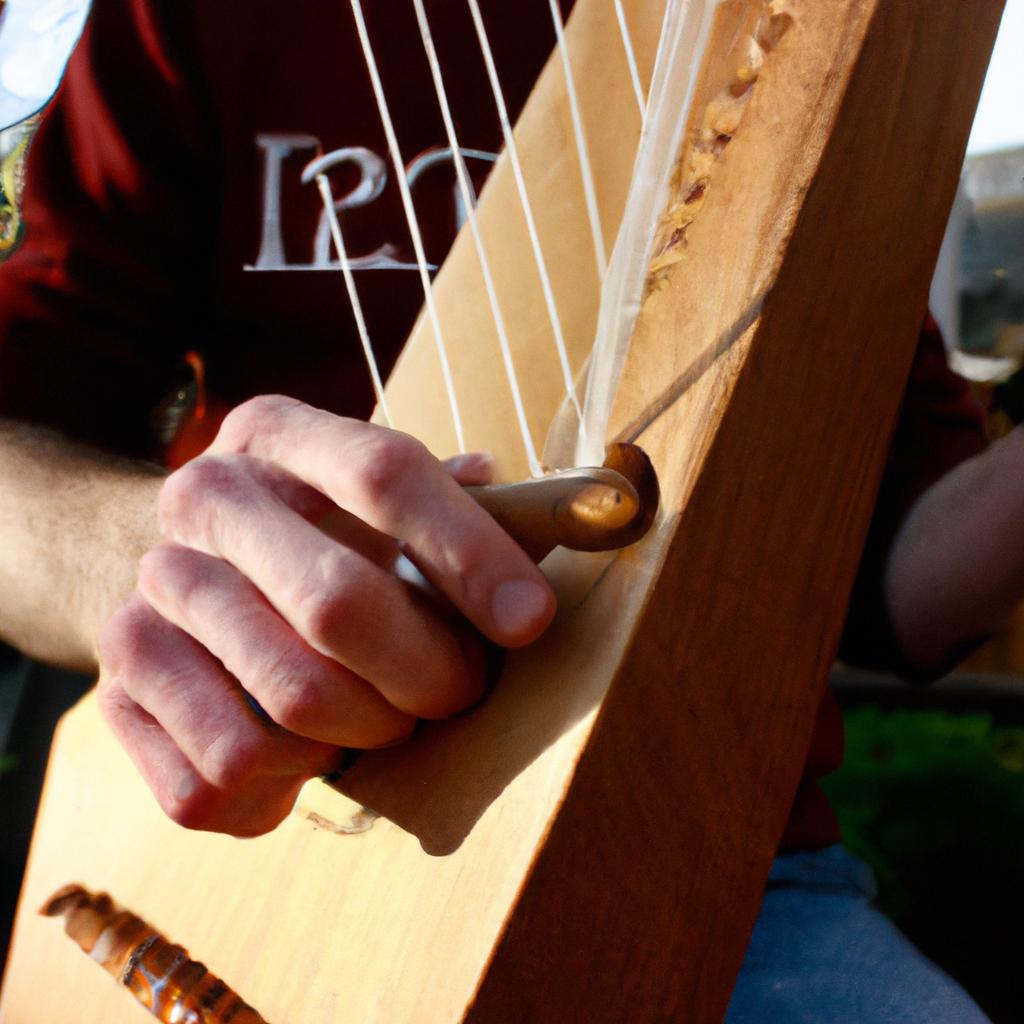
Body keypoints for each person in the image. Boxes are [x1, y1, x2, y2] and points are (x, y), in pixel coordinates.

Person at [0, 1, 1017, 1020]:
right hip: (257, 867)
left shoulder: (834, 55)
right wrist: (194, 573)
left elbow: (900, 581)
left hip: (726, 877)